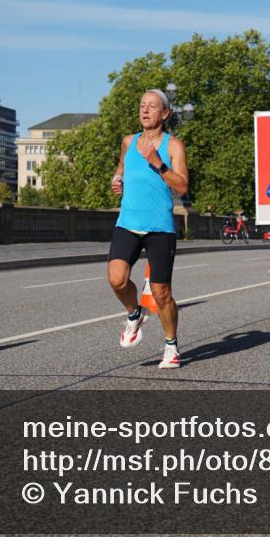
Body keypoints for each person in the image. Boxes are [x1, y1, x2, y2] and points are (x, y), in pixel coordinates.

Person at [108, 89, 189, 369]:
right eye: (142, 105)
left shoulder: (173, 145)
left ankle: (171, 345)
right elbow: (121, 167)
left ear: (165, 114)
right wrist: (117, 180)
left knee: (161, 292)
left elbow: (182, 186)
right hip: (128, 222)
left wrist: (158, 162)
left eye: (152, 106)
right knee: (117, 280)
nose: (145, 110)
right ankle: (134, 314)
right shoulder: (128, 141)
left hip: (160, 226)